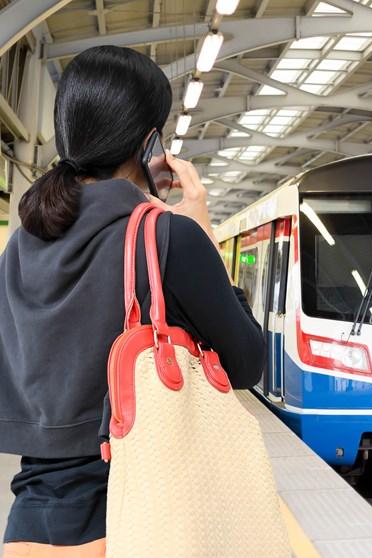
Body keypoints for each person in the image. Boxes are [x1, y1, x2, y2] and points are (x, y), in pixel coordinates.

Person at [0, 46, 265, 557]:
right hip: (136, 522)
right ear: (150, 143)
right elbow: (248, 362)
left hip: (28, 528)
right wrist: (204, 236)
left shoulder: (20, 245)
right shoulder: (168, 238)